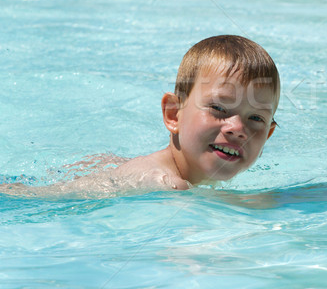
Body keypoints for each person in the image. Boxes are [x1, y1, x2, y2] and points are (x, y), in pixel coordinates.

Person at [1, 35, 279, 196]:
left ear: (267, 135)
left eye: (256, 118)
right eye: (218, 108)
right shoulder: (166, 185)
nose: (238, 128)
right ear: (173, 114)